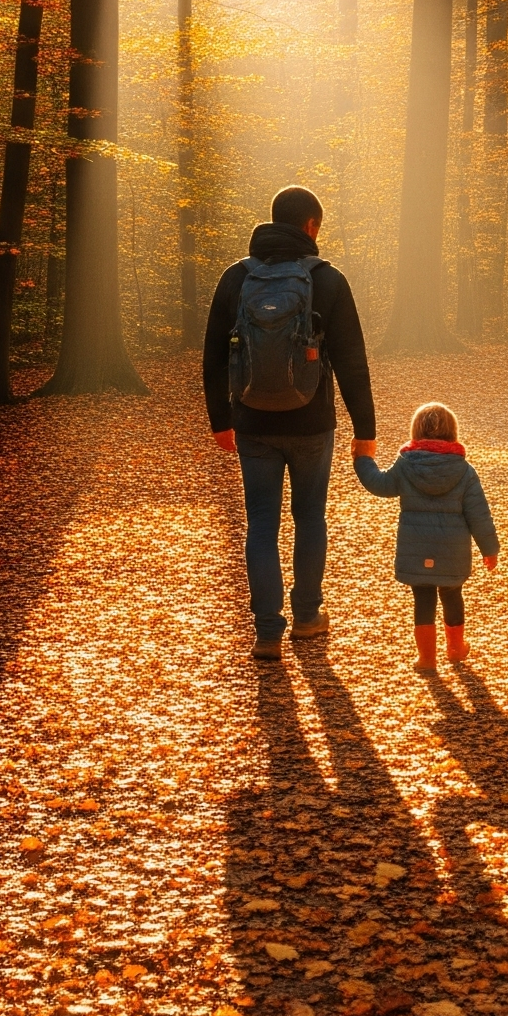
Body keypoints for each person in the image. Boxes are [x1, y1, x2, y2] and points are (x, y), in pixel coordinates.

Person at [204, 185, 376, 661]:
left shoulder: (236, 279)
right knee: (309, 518)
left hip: (252, 422)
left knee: (260, 523)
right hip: (312, 423)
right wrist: (365, 431)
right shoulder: (328, 280)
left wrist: (221, 419)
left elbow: (214, 356)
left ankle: (266, 632)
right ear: (311, 225)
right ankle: (306, 618)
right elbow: (352, 361)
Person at [352, 401, 500, 673]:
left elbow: (380, 484)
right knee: (453, 596)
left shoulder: (406, 465)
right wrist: (489, 549)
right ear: (453, 433)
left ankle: (427, 658)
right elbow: (479, 514)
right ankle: (455, 649)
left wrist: (362, 459)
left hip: (416, 549)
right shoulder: (464, 471)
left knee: (423, 600)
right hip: (452, 552)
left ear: (416, 432)